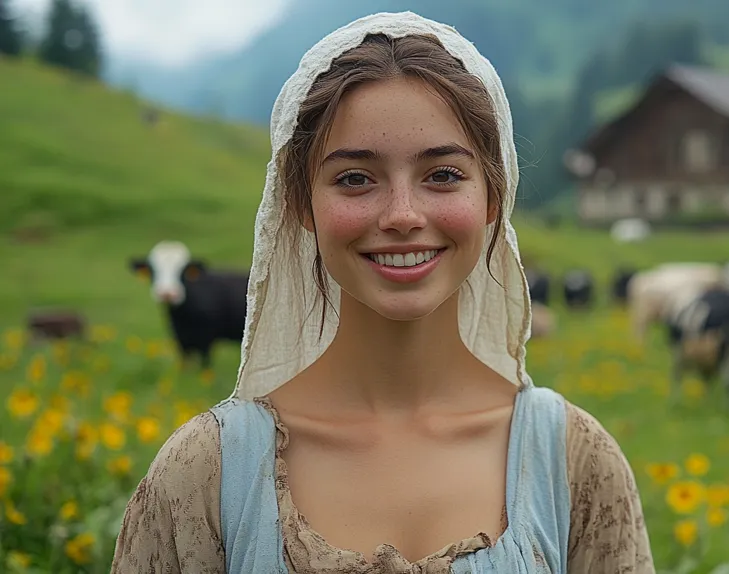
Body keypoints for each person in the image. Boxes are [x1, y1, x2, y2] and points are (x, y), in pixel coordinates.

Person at [110, 11, 653, 574]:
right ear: (301, 206)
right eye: (354, 178)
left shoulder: (573, 463)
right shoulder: (206, 474)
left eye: (442, 174)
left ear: (495, 196)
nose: (402, 215)